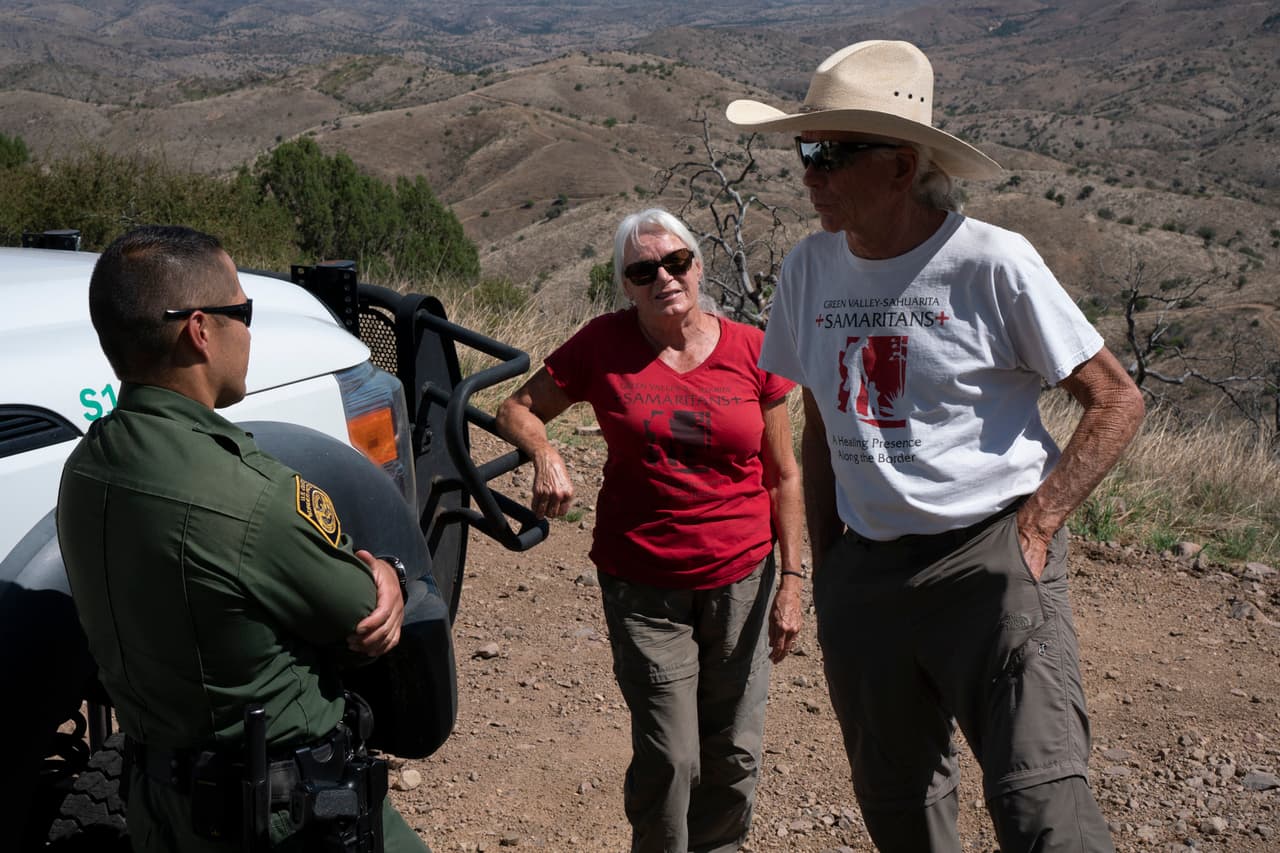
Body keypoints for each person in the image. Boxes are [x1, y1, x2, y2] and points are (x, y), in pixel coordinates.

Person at [726, 40, 1145, 853]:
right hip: (868, 574)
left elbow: (1116, 398)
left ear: (901, 167)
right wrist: (828, 561)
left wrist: (1035, 528)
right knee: (900, 811)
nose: (809, 171)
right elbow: (819, 419)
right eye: (806, 149)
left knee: (1043, 812)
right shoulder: (810, 268)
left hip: (988, 563)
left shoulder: (991, 263)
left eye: (832, 151)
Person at [56, 225, 428, 852]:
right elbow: (365, 619)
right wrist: (387, 571)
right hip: (281, 817)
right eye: (243, 312)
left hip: (160, 808)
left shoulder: (87, 467)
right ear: (199, 330)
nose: (250, 333)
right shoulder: (251, 496)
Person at [495, 208, 803, 853]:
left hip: (743, 577)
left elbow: (783, 475)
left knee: (736, 753)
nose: (663, 277)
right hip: (644, 582)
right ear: (626, 284)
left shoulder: (753, 347)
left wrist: (793, 580)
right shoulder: (601, 344)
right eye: (643, 270)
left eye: (676, 262)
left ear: (697, 263)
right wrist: (546, 455)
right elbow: (518, 408)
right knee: (671, 757)